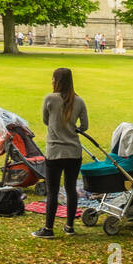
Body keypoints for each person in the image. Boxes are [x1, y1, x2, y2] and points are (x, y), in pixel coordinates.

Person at [32, 68, 88, 240]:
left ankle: (49, 228)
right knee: (71, 189)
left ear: (57, 81)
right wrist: (72, 128)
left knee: (53, 190)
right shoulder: (79, 101)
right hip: (73, 152)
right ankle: (69, 226)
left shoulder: (50, 99)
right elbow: (84, 126)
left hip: (55, 152)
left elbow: (45, 120)